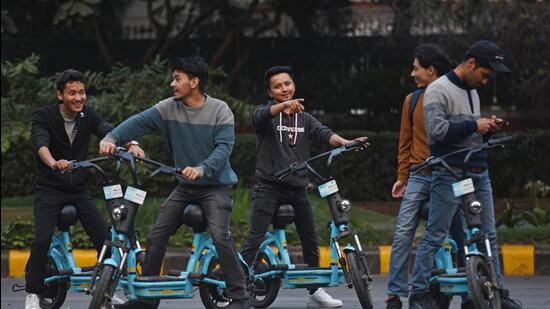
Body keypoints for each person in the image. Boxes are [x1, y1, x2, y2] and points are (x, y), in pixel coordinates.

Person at [100, 56, 250, 309]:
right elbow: (136, 123)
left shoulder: (220, 109)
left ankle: (240, 297)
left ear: (194, 82)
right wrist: (112, 137)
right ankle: (147, 300)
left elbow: (224, 149)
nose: (172, 84)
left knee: (220, 237)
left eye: (177, 79)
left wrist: (202, 169)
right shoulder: (168, 108)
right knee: (157, 234)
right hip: (185, 187)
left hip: (215, 187)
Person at [240, 66, 368, 308]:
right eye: (277, 86)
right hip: (268, 187)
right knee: (254, 239)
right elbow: (258, 117)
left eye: (287, 84)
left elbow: (325, 134)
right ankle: (237, 288)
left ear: (294, 85)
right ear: (270, 92)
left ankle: (315, 292)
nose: (284, 89)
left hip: (297, 188)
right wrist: (283, 107)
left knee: (310, 238)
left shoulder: (305, 118)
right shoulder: (266, 115)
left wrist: (347, 142)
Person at [408, 41, 522, 309]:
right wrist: (475, 124)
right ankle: (419, 293)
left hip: (478, 172)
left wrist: (487, 128)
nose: (485, 81)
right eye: (484, 74)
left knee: (487, 235)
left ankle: (495, 291)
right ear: (471, 63)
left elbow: (468, 133)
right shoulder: (438, 90)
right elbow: (437, 131)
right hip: (449, 174)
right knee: (436, 234)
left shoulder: (472, 92)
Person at [25, 69, 143, 309]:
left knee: (106, 239)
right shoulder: (43, 116)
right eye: (72, 93)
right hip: (50, 188)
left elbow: (106, 129)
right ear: (60, 95)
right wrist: (54, 163)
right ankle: (33, 294)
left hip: (78, 190)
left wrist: (131, 144)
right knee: (42, 239)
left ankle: (106, 290)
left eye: (82, 92)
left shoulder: (86, 115)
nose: (79, 98)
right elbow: (41, 144)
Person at [386, 44, 466, 309]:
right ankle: (394, 294)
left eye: (416, 68)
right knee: (402, 232)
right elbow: (405, 142)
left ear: (431, 71)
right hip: (420, 175)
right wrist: (402, 177)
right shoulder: (412, 100)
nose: (412, 74)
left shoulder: (454, 95)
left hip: (451, 174)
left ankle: (470, 290)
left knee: (463, 231)